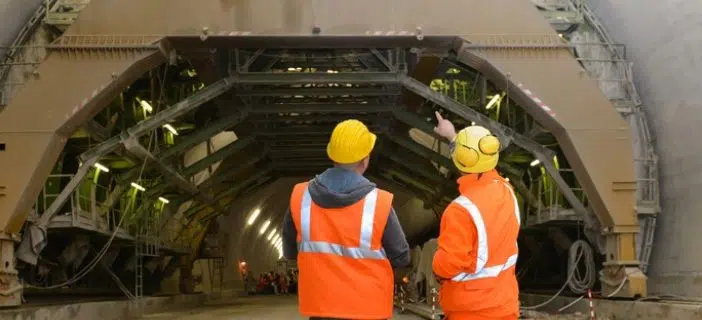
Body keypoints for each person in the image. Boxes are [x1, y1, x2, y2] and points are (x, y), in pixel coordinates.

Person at [281, 119, 411, 320]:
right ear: (365, 159)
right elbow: (401, 256)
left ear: (331, 154)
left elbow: (290, 252)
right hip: (369, 310)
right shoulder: (379, 203)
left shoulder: (300, 197)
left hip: (321, 309)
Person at [431, 112, 521, 320]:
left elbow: (447, 265)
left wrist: (436, 266)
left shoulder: (460, 210)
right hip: (505, 308)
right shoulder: (506, 191)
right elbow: (479, 162)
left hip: (470, 310)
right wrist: (452, 136)